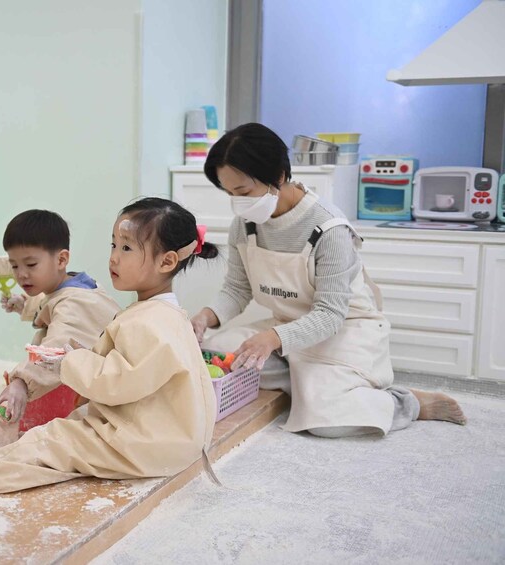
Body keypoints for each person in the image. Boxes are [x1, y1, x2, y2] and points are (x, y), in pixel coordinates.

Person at [0, 197, 219, 515]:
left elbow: (118, 382)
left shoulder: (147, 321)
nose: (113, 258)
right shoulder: (166, 313)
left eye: (126, 248)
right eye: (113, 245)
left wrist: (69, 362)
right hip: (171, 434)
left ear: (166, 262)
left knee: (50, 441)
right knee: (75, 427)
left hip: (151, 441)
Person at [190, 122, 466, 438]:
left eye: (243, 191)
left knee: (330, 425)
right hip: (286, 329)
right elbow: (237, 289)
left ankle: (406, 403)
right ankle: (307, 382)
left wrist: (271, 339)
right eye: (228, 193)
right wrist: (205, 317)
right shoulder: (246, 224)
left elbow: (330, 315)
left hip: (343, 330)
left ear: (278, 176)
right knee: (216, 353)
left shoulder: (329, 228)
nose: (237, 202)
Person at [0, 209, 121, 429]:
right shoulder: (74, 285)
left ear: (61, 259)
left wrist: (22, 382)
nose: (21, 274)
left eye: (31, 265)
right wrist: (26, 305)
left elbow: (58, 346)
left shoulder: (76, 304)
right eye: (14, 265)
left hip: (100, 397)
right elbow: (52, 302)